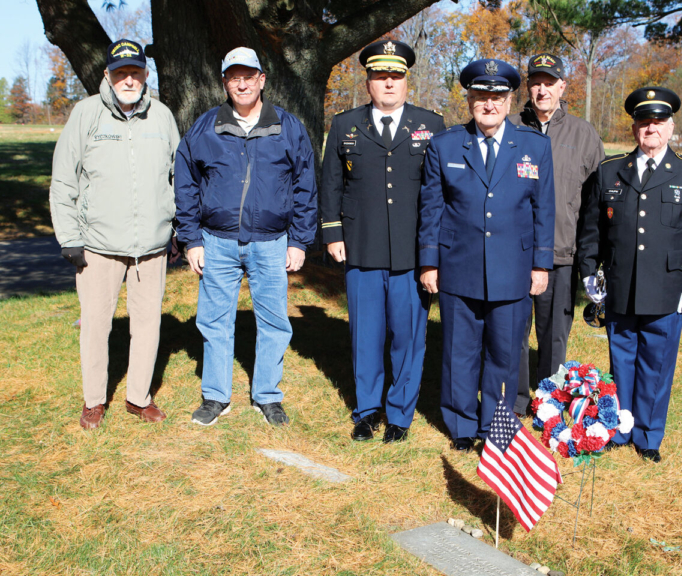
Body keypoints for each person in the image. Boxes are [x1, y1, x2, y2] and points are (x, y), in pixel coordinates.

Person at [175, 47, 317, 427]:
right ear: (225, 82)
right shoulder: (205, 127)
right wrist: (191, 240)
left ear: (261, 80)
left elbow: (305, 185)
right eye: (234, 77)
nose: (242, 84)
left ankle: (267, 396)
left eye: (248, 76)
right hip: (216, 241)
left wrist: (299, 241)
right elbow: (185, 184)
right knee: (214, 321)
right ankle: (215, 397)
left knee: (274, 322)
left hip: (271, 242)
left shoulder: (288, 127)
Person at [418, 59, 556, 451]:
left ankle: (494, 425)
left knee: (504, 353)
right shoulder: (445, 145)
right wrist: (429, 261)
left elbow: (544, 209)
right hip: (458, 267)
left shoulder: (534, 146)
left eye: (497, 97)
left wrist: (541, 264)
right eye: (481, 96)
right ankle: (461, 425)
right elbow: (431, 208)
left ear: (510, 101)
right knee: (459, 352)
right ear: (469, 100)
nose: (489, 104)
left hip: (513, 269)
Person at [49, 39, 180, 429]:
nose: (129, 80)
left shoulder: (162, 116)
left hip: (151, 247)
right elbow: (63, 179)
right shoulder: (86, 113)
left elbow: (179, 176)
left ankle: (138, 398)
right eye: (121, 72)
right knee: (95, 325)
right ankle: (94, 400)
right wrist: (69, 237)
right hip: (98, 245)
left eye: (135, 72)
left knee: (148, 325)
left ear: (145, 74)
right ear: (107, 75)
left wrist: (176, 228)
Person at [320, 40, 445, 443]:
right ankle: (367, 410)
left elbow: (439, 192)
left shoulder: (431, 125)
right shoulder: (345, 125)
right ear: (368, 82)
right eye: (380, 76)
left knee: (408, 339)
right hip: (362, 246)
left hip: (412, 252)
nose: (389, 83)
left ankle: (400, 414)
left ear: (406, 81)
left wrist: (434, 250)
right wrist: (333, 233)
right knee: (366, 336)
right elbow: (331, 182)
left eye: (396, 76)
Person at [578, 87, 682, 463]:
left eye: (658, 122)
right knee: (621, 359)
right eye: (643, 122)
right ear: (634, 127)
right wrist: (589, 273)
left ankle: (649, 435)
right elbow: (591, 231)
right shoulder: (609, 171)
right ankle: (620, 428)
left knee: (657, 363)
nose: (651, 128)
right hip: (619, 284)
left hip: (667, 288)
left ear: (671, 127)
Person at [509, 53, 604, 415]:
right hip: (514, 253)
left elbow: (597, 201)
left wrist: (592, 257)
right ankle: (517, 400)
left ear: (563, 86)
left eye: (550, 83)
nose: (542, 90)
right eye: (536, 82)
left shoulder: (583, 134)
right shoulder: (510, 127)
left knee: (554, 336)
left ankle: (548, 401)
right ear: (528, 86)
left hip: (562, 254)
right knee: (514, 332)